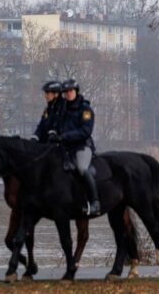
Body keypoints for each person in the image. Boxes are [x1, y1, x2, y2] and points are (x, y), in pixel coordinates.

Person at [51, 79, 99, 216]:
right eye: (66, 92)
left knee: (82, 168)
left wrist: (64, 136)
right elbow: (56, 125)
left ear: (76, 91)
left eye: (71, 91)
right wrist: (53, 133)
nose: (68, 94)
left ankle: (95, 202)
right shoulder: (61, 109)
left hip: (81, 146)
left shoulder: (85, 109)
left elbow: (85, 131)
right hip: (64, 147)